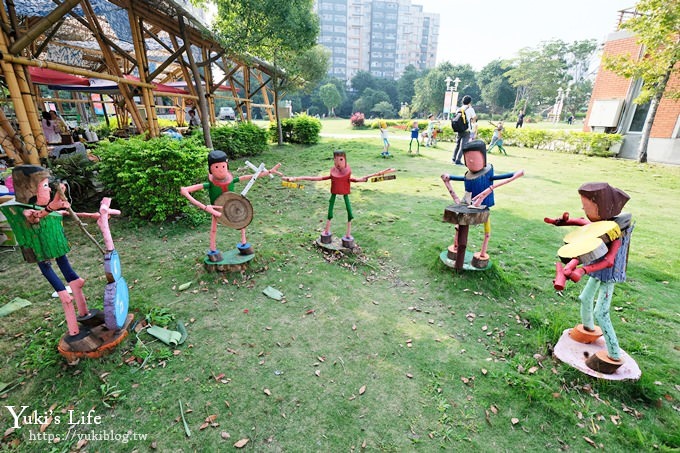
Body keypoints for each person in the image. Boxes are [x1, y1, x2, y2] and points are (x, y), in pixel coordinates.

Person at [0, 165, 105, 351]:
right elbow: (36, 218)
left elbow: (62, 213)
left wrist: (91, 215)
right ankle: (73, 328)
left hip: (57, 247)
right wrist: (52, 206)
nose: (49, 189)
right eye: (45, 185)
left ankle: (84, 311)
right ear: (30, 190)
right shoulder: (26, 210)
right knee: (64, 294)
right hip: (42, 252)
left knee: (71, 273)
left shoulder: (45, 208)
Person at [544, 182, 633, 374]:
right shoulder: (599, 225)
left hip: (608, 276)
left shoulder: (614, 233)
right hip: (596, 271)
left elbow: (609, 261)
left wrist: (583, 270)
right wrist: (560, 222)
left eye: (586, 205)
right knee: (585, 298)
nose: (583, 209)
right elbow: (582, 224)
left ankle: (614, 353)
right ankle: (588, 329)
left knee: (602, 311)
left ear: (600, 205)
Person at [180, 150, 281, 259]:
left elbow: (249, 177)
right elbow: (185, 191)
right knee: (214, 229)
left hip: (233, 206)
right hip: (216, 209)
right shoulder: (211, 184)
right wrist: (205, 207)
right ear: (210, 169)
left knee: (242, 224)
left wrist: (268, 172)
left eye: (223, 167)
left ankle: (244, 244)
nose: (221, 170)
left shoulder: (230, 180)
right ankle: (213, 250)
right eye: (217, 167)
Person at [282, 150, 394, 246]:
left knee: (349, 211)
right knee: (330, 210)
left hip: (345, 193)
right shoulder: (333, 173)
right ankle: (326, 231)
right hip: (334, 193)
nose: (337, 163)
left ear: (345, 160)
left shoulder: (347, 173)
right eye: (335, 160)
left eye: (340, 160)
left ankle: (348, 234)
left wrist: (376, 175)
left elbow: (358, 179)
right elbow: (315, 178)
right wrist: (296, 178)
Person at [441, 140, 524, 265]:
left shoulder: (487, 174)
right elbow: (458, 178)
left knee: (486, 231)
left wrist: (513, 175)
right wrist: (449, 177)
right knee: (459, 226)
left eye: (475, 159)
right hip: (467, 204)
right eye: (468, 159)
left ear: (484, 159)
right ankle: (456, 247)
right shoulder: (468, 175)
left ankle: (482, 253)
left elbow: (511, 175)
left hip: (483, 205)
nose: (471, 162)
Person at [452, 95, 476, 165]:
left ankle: (454, 158)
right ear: (470, 102)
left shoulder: (459, 109)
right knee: (463, 146)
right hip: (466, 129)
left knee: (457, 144)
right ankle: (458, 160)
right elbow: (474, 119)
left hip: (459, 129)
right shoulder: (470, 109)